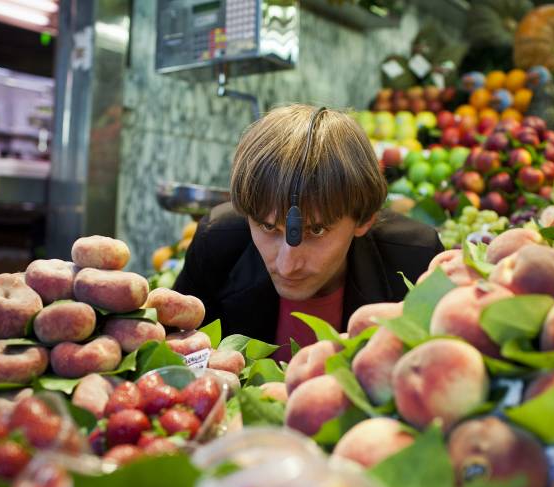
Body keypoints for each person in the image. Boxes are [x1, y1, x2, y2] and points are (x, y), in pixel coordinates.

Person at [174, 104, 443, 360]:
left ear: (364, 219)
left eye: (316, 230)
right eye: (268, 227)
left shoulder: (417, 262)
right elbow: (175, 353)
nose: (287, 265)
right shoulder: (218, 243)